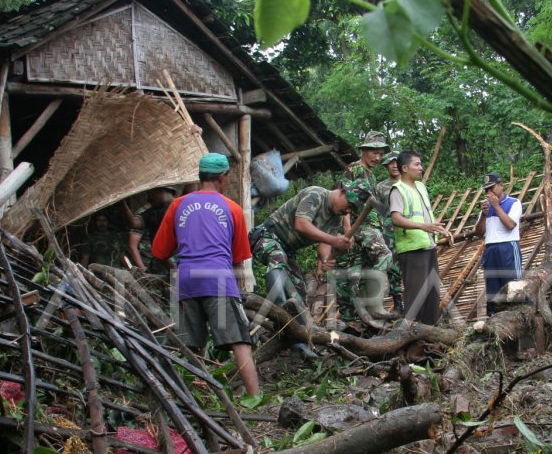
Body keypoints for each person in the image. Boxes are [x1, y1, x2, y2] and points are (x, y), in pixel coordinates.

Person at [150, 153, 260, 397]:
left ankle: (192, 396)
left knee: (190, 343)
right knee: (239, 341)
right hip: (218, 278)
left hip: (187, 279)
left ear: (201, 176)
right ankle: (256, 397)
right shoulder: (232, 208)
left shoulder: (177, 205)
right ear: (222, 177)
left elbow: (159, 251)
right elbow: (239, 256)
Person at [250, 180, 370, 317]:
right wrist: (335, 240)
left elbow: (324, 245)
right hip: (267, 237)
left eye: (352, 210)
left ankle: (296, 332)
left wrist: (325, 259)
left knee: (299, 297)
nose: (347, 211)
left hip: (287, 251)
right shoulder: (315, 194)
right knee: (277, 256)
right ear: (342, 192)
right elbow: (301, 224)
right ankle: (278, 311)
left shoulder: (336, 219)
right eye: (350, 205)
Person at [337, 130, 398, 321]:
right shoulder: (353, 169)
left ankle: (366, 313)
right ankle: (371, 307)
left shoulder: (371, 176)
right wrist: (347, 228)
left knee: (358, 272)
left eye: (381, 153)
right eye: (374, 152)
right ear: (364, 151)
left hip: (372, 226)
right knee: (384, 255)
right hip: (360, 227)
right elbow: (342, 198)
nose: (378, 157)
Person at [389, 149, 452, 326]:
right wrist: (424, 227)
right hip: (411, 249)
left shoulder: (421, 187)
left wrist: (441, 230)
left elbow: (427, 216)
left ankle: (431, 332)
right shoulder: (398, 190)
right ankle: (410, 335)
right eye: (417, 164)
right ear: (405, 167)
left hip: (428, 245)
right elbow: (396, 218)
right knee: (416, 294)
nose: (421, 168)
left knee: (432, 292)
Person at [473, 172, 522, 315]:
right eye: (486, 189)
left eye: (492, 187)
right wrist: (483, 215)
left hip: (508, 247)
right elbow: (479, 232)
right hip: (490, 249)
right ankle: (495, 326)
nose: (489, 192)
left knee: (512, 287)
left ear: (501, 186)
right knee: (493, 293)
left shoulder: (514, 203)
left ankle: (517, 319)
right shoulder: (485, 208)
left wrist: (496, 206)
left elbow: (510, 225)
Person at [127, 186, 176, 273]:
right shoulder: (152, 212)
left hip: (179, 263)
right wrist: (121, 203)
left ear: (160, 191)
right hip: (160, 265)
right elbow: (134, 223)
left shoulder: (183, 207)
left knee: (176, 283)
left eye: (150, 194)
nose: (148, 199)